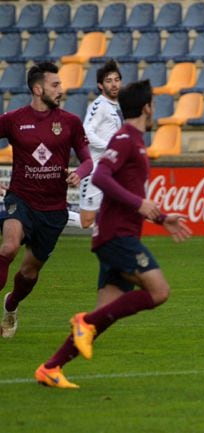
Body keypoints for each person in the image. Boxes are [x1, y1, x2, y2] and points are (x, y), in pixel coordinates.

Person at [35, 80, 192, 389]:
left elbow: (132, 192)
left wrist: (162, 218)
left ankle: (51, 368)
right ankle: (84, 322)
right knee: (159, 292)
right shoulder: (125, 138)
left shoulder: (134, 140)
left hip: (118, 234)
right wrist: (140, 204)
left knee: (103, 316)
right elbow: (102, 177)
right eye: (153, 105)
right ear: (147, 107)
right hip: (116, 236)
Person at [0, 62, 93, 338]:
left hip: (53, 210)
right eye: (55, 85)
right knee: (8, 247)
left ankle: (11, 304)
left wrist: (80, 173)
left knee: (28, 274)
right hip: (21, 198)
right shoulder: (14, 119)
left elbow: (88, 160)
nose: (61, 90)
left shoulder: (70, 122)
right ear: (38, 88)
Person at [71, 59, 123, 229]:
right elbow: (86, 132)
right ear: (101, 85)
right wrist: (110, 146)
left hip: (109, 171)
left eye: (116, 80)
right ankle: (45, 213)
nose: (114, 84)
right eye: (109, 81)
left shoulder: (116, 106)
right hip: (94, 171)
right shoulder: (99, 105)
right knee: (86, 222)